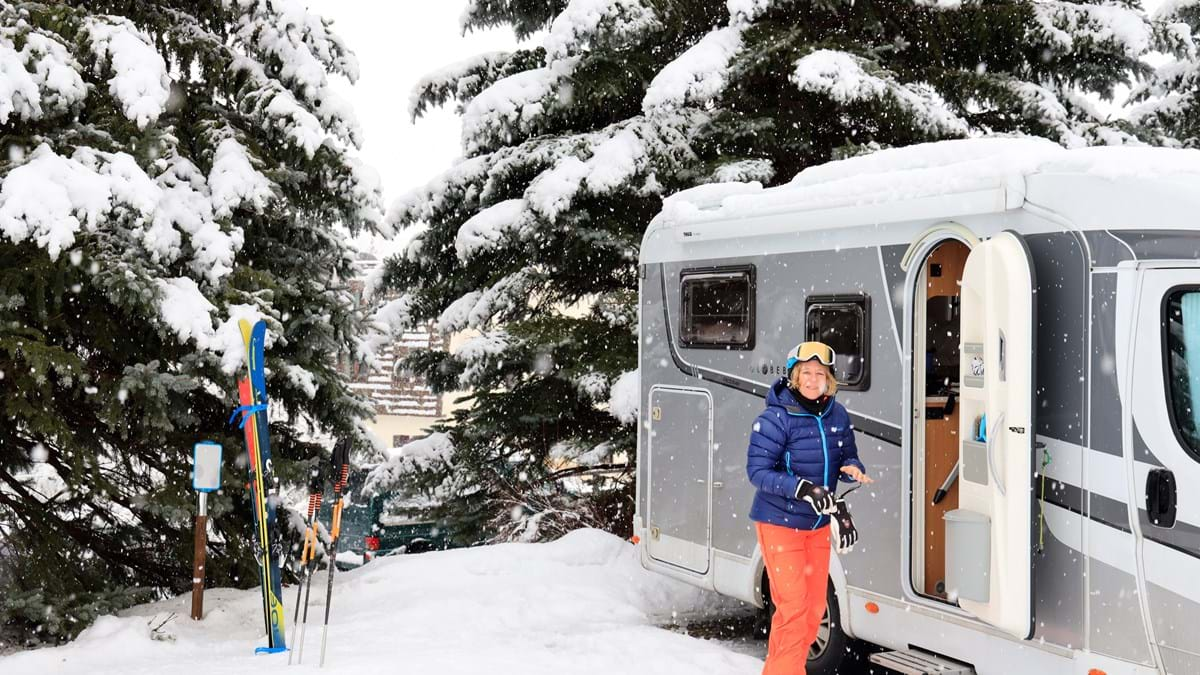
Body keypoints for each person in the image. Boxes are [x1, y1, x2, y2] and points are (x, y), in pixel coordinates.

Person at [746, 341, 874, 675]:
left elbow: (847, 451)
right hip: (779, 522)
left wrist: (852, 467)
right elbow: (758, 472)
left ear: (828, 379)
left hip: (817, 524)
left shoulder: (837, 413)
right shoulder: (775, 418)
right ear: (793, 376)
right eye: (806, 373)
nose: (813, 379)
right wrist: (801, 488)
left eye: (820, 373)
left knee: (814, 609)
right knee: (793, 608)